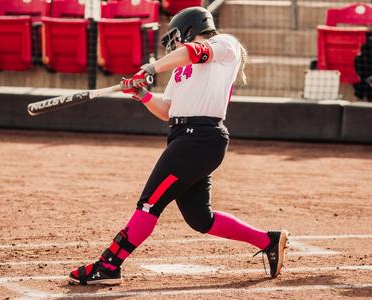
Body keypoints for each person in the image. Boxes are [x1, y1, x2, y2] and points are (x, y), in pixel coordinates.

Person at [68, 7, 289, 286]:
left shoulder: (224, 44)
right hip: (184, 137)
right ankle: (268, 240)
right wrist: (142, 93)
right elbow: (166, 111)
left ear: (189, 29)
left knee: (149, 204)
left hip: (200, 137)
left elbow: (194, 51)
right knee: (200, 218)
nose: (174, 44)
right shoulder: (181, 69)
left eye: (175, 37)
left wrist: (150, 68)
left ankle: (109, 265)